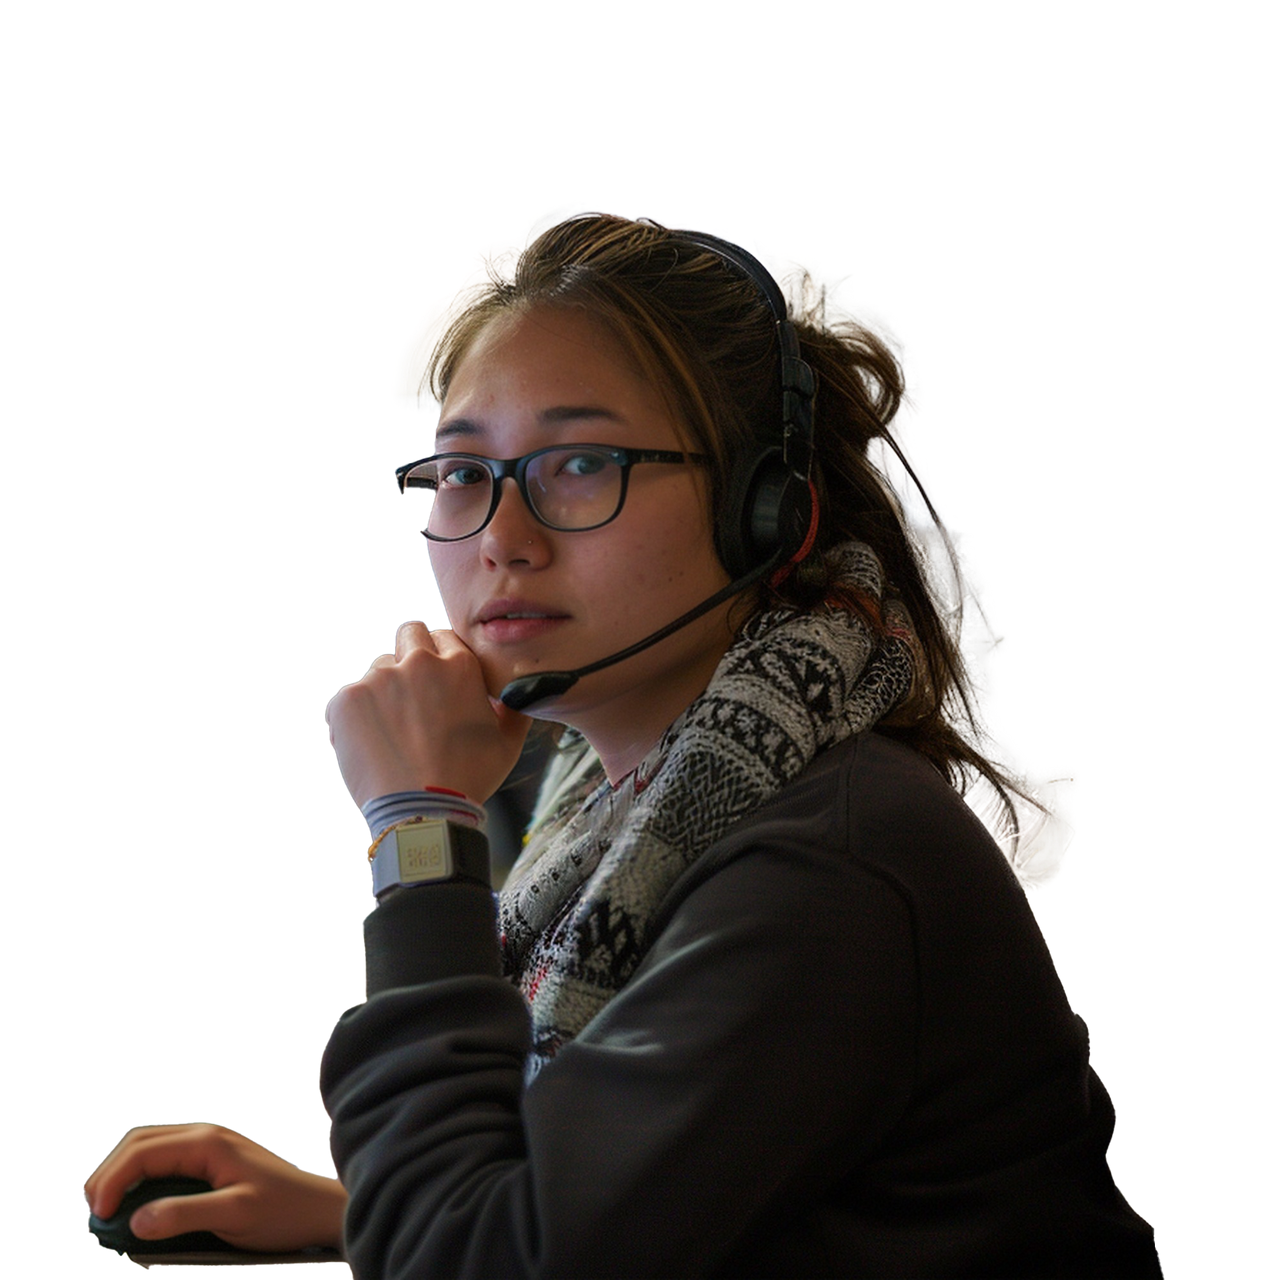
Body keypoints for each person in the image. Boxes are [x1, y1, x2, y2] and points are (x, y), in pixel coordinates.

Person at [85, 206, 1162, 1277]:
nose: (502, 541)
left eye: (580, 463)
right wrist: (357, 1210)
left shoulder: (828, 861)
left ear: (767, 514)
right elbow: (643, 1207)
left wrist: (419, 826)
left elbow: (467, 1268)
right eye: (463, 473)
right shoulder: (632, 809)